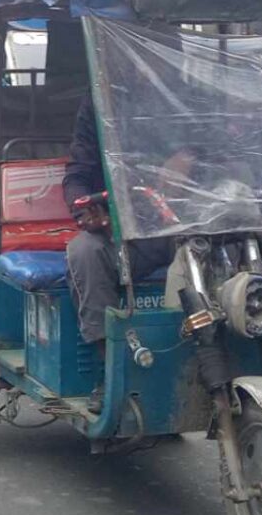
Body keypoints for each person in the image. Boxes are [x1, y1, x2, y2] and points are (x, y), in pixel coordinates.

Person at [62, 96, 177, 346]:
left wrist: (190, 157)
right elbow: (77, 174)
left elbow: (221, 145)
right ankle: (110, 355)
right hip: (126, 229)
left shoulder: (182, 94)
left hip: (185, 227)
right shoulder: (98, 100)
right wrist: (84, 209)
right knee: (85, 251)